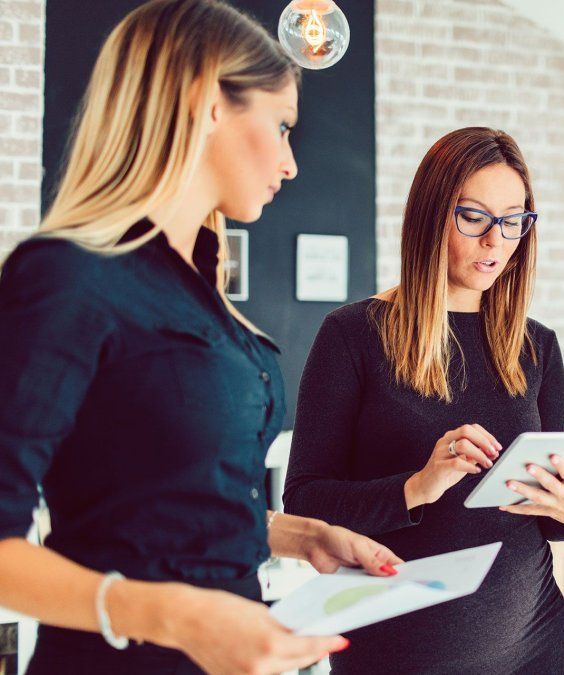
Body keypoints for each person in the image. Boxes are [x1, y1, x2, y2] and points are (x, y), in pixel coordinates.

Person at [0, 2, 400, 673]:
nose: (290, 163)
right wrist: (176, 616)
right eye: (281, 125)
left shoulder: (201, 287)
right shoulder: (66, 277)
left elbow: (165, 503)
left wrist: (303, 535)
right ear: (208, 101)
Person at [283, 126, 564, 674]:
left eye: (513, 221)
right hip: (395, 655)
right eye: (474, 217)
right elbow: (305, 504)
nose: (496, 241)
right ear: (431, 214)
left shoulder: (537, 346)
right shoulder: (353, 335)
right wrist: (416, 487)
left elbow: (547, 516)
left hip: (533, 650)